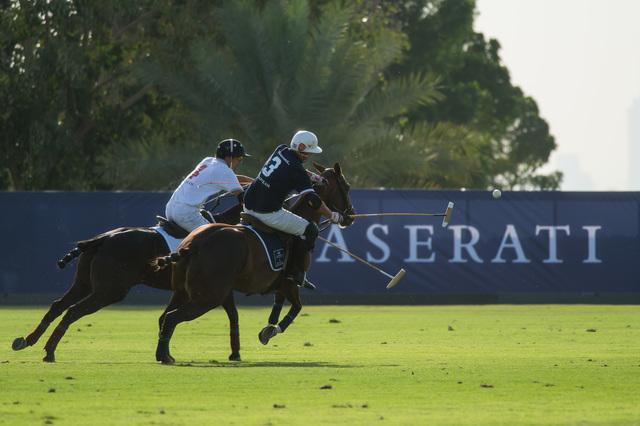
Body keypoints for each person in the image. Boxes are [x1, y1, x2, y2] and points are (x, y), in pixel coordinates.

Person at [243, 130, 342, 288]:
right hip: (267, 213)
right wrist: (332, 215)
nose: (309, 156)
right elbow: (312, 200)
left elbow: (294, 169)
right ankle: (296, 272)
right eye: (308, 152)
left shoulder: (281, 149)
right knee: (310, 230)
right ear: (302, 149)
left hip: (247, 204)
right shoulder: (297, 170)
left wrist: (313, 176)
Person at [166, 138, 252, 233]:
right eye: (239, 158)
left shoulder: (207, 161)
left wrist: (255, 181)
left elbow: (234, 178)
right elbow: (243, 199)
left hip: (170, 209)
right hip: (186, 214)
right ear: (229, 158)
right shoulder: (225, 171)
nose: (240, 162)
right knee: (218, 241)